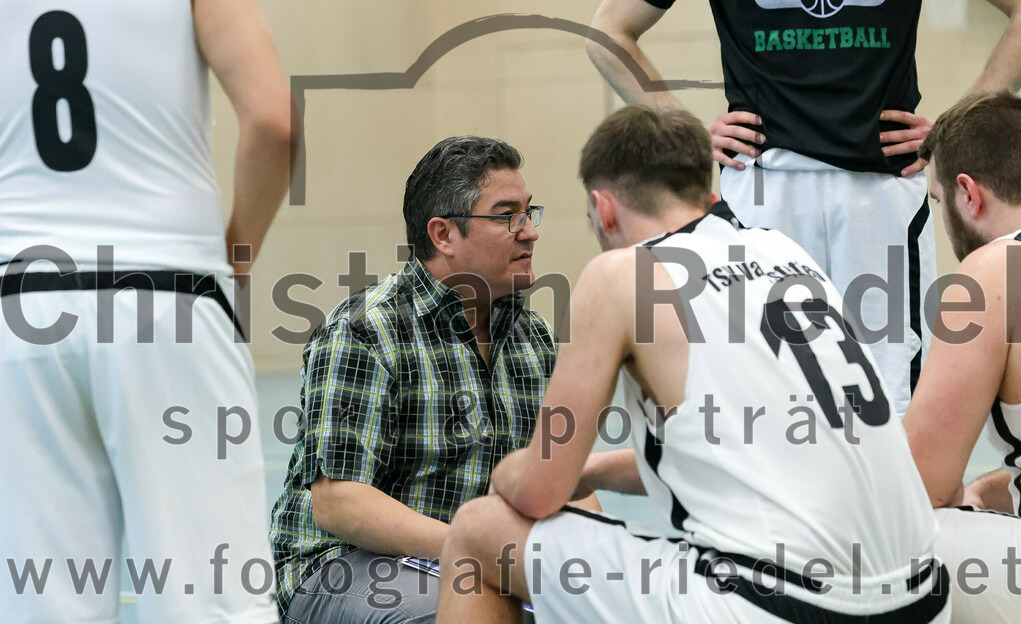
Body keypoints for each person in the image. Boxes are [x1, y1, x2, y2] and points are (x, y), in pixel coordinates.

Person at [436, 106, 950, 624]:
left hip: (781, 606)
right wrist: (594, 472)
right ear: (708, 196)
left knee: (479, 532)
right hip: (926, 598)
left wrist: (507, 471)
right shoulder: (784, 250)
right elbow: (747, 445)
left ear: (603, 207)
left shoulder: (621, 273)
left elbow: (538, 492)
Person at [586, 0, 1021, 417]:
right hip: (763, 186)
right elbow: (607, 30)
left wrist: (954, 125)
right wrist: (682, 128)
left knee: (888, 397)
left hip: (879, 191)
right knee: (761, 393)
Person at [0, 0, 292, 622]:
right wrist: (234, 259)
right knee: (211, 600)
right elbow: (273, 123)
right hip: (168, 296)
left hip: (18, 307)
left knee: (42, 602)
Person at [270, 136, 577, 623]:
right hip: (344, 566)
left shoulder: (532, 337)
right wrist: (479, 552)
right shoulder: (366, 330)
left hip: (474, 564)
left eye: (529, 212)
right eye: (505, 215)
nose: (529, 232)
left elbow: (566, 485)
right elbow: (339, 503)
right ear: (443, 234)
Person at [903, 91, 1021, 624]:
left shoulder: (993, 272)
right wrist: (984, 489)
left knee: (883, 544)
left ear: (967, 194)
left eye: (936, 201)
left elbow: (915, 487)